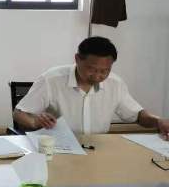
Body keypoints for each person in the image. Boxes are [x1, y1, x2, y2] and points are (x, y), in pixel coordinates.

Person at [13, 36, 169, 138]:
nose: (97, 76)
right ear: (77, 59)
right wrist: (35, 122)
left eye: (105, 71)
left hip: (97, 149)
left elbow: (138, 115)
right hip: (58, 148)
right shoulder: (51, 80)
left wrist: (159, 121)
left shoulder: (115, 83)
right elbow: (19, 113)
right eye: (92, 69)